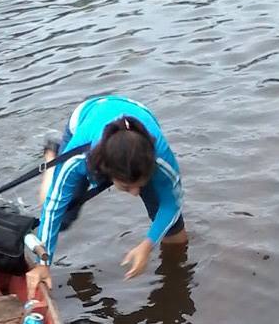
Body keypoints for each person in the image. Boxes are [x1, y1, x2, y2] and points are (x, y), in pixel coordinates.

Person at [27, 96, 187, 299]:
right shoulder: (77, 160)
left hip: (135, 127)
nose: (135, 193)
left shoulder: (160, 159)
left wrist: (147, 245)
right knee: (63, 214)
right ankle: (53, 153)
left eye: (140, 185)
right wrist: (43, 264)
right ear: (107, 172)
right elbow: (53, 207)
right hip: (86, 121)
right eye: (127, 187)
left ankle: (175, 288)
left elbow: (172, 205)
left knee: (174, 231)